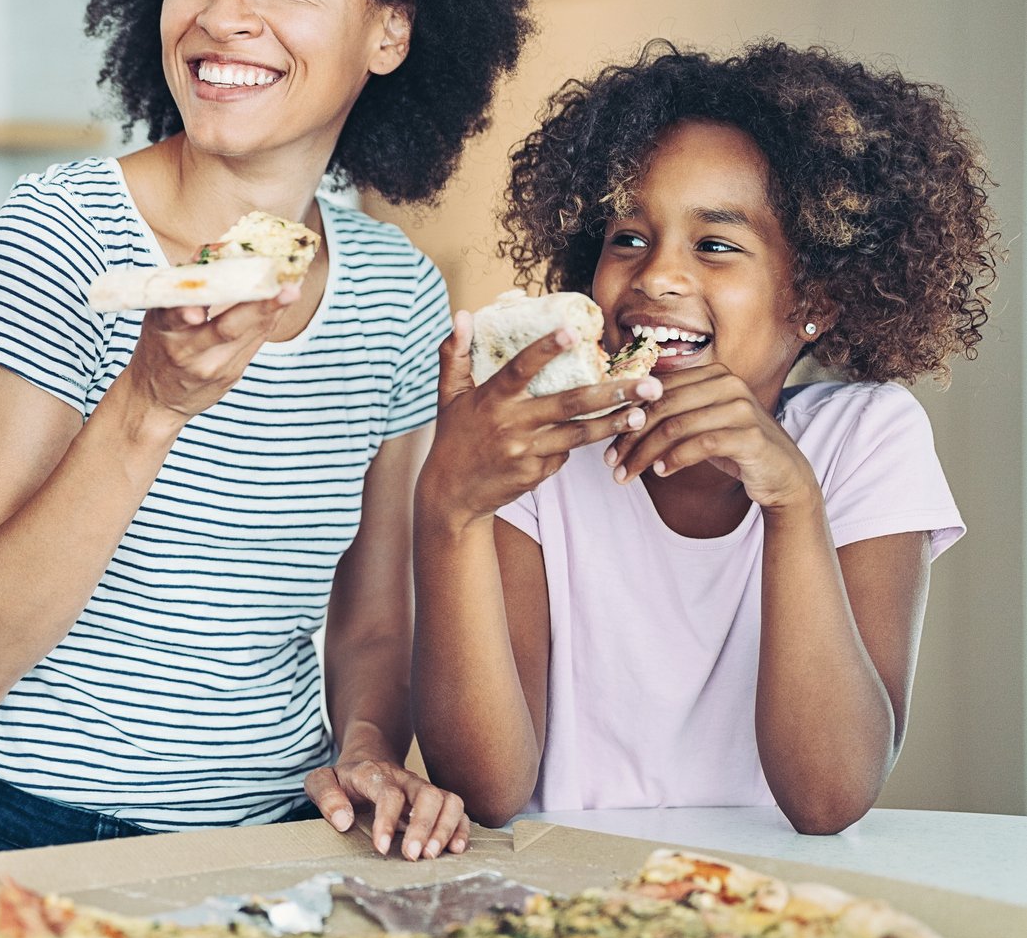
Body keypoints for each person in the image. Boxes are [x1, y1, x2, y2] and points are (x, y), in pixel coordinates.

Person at [0, 0, 533, 860]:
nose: (219, 17)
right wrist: (150, 400)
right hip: (31, 834)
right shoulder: (58, 237)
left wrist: (363, 747)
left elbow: (371, 618)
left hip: (280, 843)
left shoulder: (395, 294)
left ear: (390, 30)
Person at [412, 41, 999, 833]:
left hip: (766, 905)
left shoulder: (866, 435)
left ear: (815, 300)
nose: (655, 276)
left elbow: (829, 797)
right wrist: (449, 508)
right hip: (565, 901)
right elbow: (486, 790)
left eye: (715, 245)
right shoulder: (541, 449)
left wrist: (791, 500)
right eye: (626, 237)